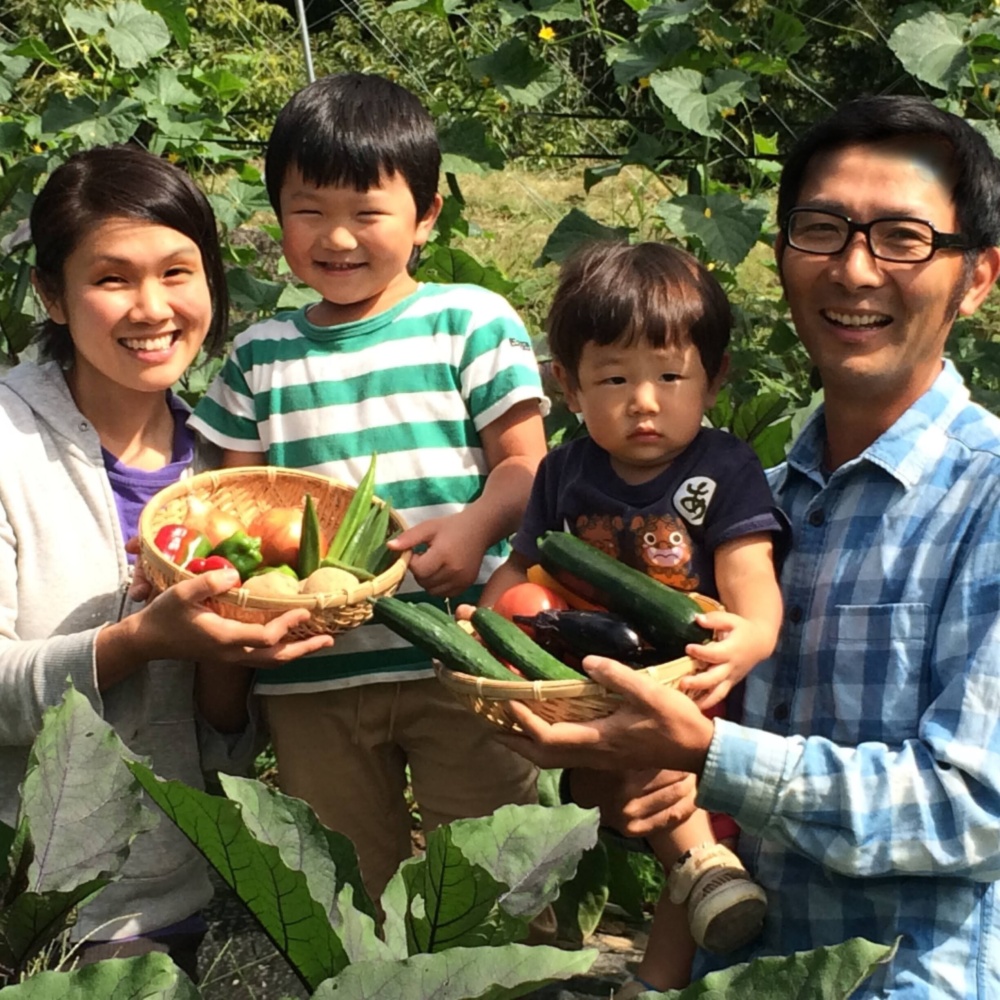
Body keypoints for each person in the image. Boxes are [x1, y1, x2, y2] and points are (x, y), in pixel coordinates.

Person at [498, 95, 1000, 999]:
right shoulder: (751, 499)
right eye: (824, 228)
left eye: (902, 237)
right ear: (783, 257)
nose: (855, 269)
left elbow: (975, 810)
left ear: (977, 276)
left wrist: (710, 758)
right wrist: (607, 760)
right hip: (723, 967)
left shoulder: (990, 498)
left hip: (902, 979)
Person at [188, 72, 549, 903]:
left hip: (457, 656)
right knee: (347, 887)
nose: (338, 238)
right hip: (313, 676)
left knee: (497, 874)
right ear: (277, 214)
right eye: (308, 211)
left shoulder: (471, 320)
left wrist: (472, 527)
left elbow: (526, 466)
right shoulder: (260, 355)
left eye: (367, 213)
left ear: (425, 218)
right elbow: (226, 500)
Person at [0, 144, 333, 980]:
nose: (152, 307)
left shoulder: (228, 469)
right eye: (112, 278)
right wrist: (140, 640)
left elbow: (218, 748)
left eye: (178, 272)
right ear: (50, 293)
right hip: (26, 900)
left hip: (176, 897)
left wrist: (225, 660)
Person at [475, 240, 786, 992]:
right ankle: (692, 890)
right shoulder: (563, 470)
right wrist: (488, 622)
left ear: (713, 381)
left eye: (670, 376)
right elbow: (521, 574)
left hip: (685, 686)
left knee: (669, 804)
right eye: (613, 378)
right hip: (586, 673)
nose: (643, 401)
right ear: (570, 389)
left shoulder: (725, 469)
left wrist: (750, 641)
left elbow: (753, 584)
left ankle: (665, 964)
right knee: (648, 816)